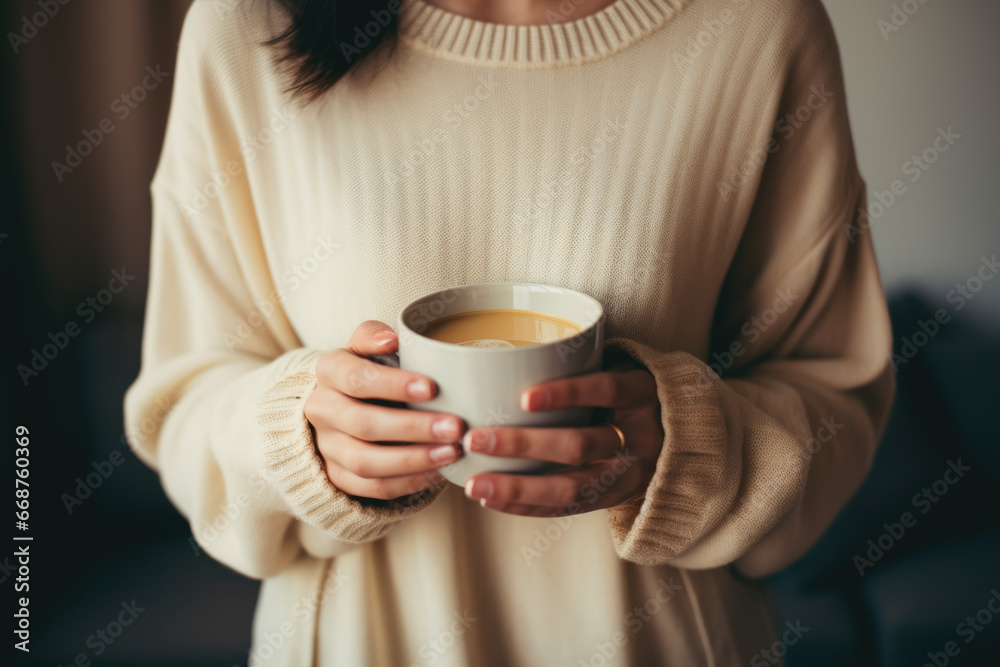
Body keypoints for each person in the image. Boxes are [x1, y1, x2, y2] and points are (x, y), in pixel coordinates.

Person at [123, 0, 896, 664]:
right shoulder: (244, 31)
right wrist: (297, 440)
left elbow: (836, 397)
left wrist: (693, 446)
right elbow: (184, 407)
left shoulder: (757, 28)